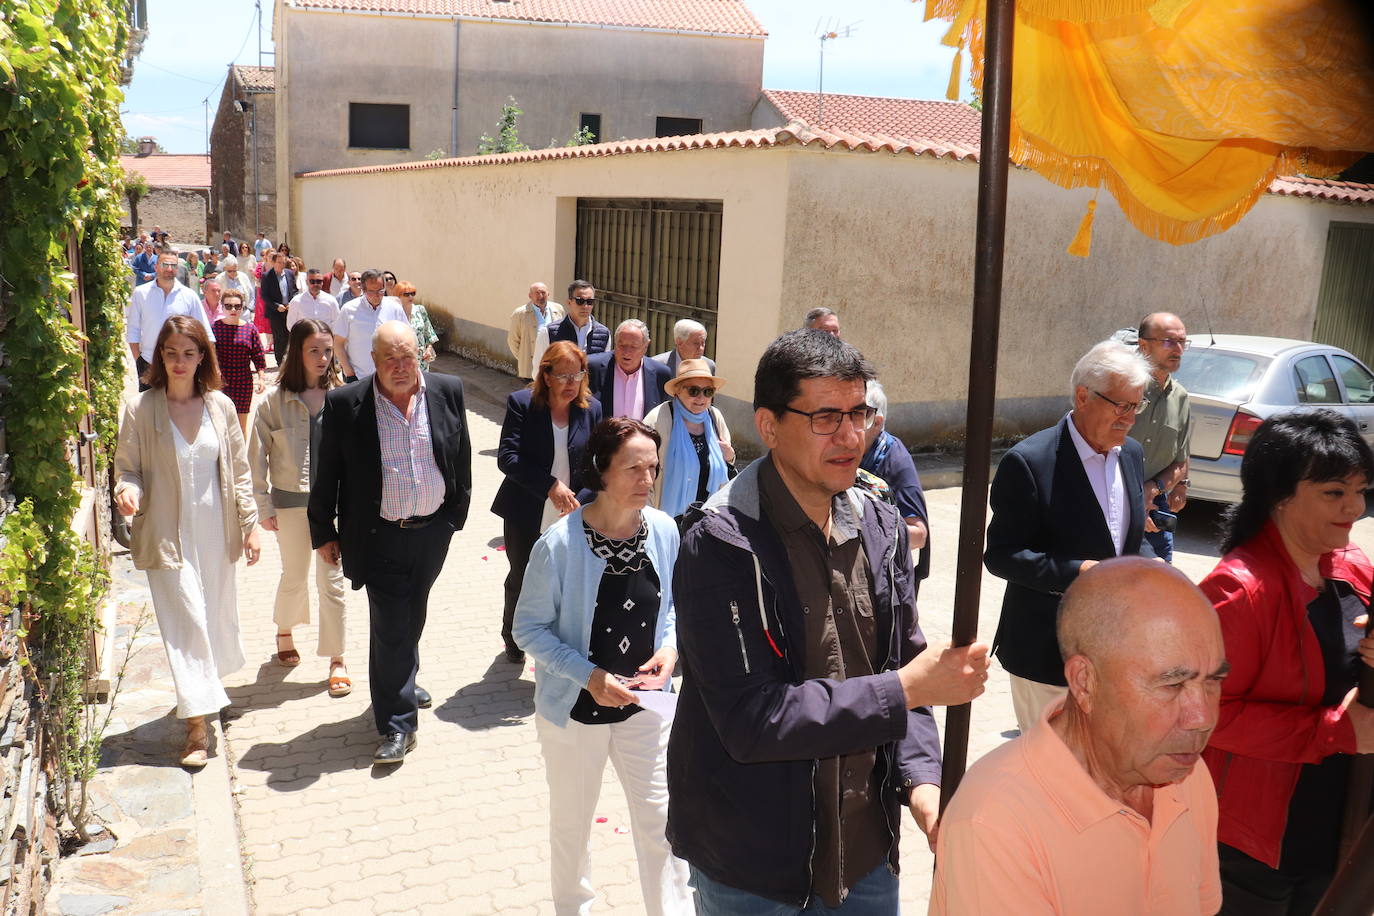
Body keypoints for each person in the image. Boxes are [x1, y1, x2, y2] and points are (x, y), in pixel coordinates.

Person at [667, 330, 990, 912]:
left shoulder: (882, 525)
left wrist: (923, 785)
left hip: (865, 850)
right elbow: (750, 718)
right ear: (768, 426)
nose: (851, 436)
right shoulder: (721, 542)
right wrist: (907, 688)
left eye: (860, 412)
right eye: (825, 418)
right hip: (754, 866)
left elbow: (903, 665)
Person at [930, 557, 1228, 915]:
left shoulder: (1185, 772)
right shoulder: (996, 822)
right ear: (1085, 682)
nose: (1202, 718)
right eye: (1172, 684)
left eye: (1214, 681)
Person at [512, 416, 692, 916]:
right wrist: (589, 676)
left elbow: (677, 606)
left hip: (645, 710)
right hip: (575, 713)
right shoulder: (559, 544)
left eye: (652, 468)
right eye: (633, 469)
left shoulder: (663, 529)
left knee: (661, 821)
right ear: (602, 472)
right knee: (572, 824)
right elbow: (528, 628)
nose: (647, 480)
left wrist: (670, 652)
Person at [1198, 409, 1374, 914]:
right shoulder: (1237, 590)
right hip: (1259, 843)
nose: (1356, 507)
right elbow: (1209, 716)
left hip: (1344, 819)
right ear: (1279, 495)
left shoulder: (1351, 564)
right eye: (1335, 493)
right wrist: (1337, 731)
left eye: (1361, 490)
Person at [308, 321, 472, 764]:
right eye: (389, 360)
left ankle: (401, 677)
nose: (400, 367)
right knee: (393, 623)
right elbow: (329, 472)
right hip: (377, 535)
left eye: (407, 357)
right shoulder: (346, 403)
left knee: (410, 615)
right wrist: (323, 530)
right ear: (374, 362)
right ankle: (397, 725)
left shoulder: (447, 390)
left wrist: (454, 516)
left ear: (420, 354)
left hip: (432, 532)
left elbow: (460, 455)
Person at [985, 340, 1156, 734]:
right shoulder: (1030, 461)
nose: (1130, 419)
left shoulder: (1129, 453)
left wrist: (1149, 563)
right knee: (1050, 777)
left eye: (1137, 406)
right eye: (1122, 406)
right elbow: (1003, 555)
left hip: (1113, 652)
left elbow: (1124, 538)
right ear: (1083, 396)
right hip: (1046, 653)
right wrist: (1079, 572)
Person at [113, 316, 260, 767]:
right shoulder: (142, 408)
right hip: (166, 535)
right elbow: (127, 467)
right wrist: (127, 489)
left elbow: (238, 471)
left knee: (213, 617)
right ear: (160, 356)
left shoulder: (219, 405)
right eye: (171, 353)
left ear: (202, 357)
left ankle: (208, 689)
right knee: (187, 623)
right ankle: (197, 727)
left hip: (216, 533)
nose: (179, 362)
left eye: (189, 353)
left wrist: (250, 523)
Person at [249, 318, 350, 697]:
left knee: (332, 579)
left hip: (335, 507)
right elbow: (255, 459)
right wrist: (262, 505)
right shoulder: (273, 403)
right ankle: (284, 630)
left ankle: (337, 657)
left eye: (327, 350)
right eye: (314, 350)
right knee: (295, 573)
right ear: (297, 352)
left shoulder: (342, 396)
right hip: (290, 505)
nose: (323, 358)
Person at [493, 342, 603, 663]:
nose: (572, 383)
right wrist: (551, 486)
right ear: (547, 374)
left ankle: (555, 642)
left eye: (578, 374)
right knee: (522, 576)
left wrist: (580, 499)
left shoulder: (591, 408)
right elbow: (508, 458)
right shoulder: (522, 404)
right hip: (527, 508)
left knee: (565, 580)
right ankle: (513, 635)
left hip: (573, 512)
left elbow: (598, 462)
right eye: (564, 375)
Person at [1131, 312, 1192, 563]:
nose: (1178, 349)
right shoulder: (1123, 388)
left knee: (1158, 589)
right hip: (1109, 505)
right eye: (1169, 341)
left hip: (1156, 511)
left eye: (1182, 342)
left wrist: (1160, 488)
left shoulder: (1181, 397)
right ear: (1143, 345)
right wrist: (1135, 499)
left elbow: (1181, 460)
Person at [861, 380, 930, 596]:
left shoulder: (895, 460)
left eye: (858, 416)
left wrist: (866, 534)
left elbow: (919, 534)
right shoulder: (845, 453)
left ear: (877, 422)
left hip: (886, 584)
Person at [642, 358, 734, 518]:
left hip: (708, 517)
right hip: (667, 519)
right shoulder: (658, 419)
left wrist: (730, 457)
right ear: (677, 391)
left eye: (708, 391)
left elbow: (726, 470)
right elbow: (643, 472)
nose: (701, 398)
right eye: (693, 391)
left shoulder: (715, 417)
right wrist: (649, 518)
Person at [126, 249, 212, 392]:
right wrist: (139, 361)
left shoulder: (189, 296)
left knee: (180, 411)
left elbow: (205, 333)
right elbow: (133, 330)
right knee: (150, 411)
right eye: (164, 264)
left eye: (173, 265)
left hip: (181, 366)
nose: (169, 269)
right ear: (156, 267)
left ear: (177, 269)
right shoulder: (140, 293)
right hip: (149, 363)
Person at [586, 319, 672, 421]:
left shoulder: (661, 374)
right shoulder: (592, 368)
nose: (626, 352)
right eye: (621, 345)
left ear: (645, 346)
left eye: (634, 346)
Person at [332, 269, 407, 382]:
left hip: (390, 376)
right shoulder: (348, 310)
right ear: (363, 289)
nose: (377, 296)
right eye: (371, 292)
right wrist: (349, 372)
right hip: (359, 377)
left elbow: (406, 338)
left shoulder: (394, 308)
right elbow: (338, 343)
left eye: (380, 291)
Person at [211, 289, 267, 433]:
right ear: (221, 307)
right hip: (220, 382)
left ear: (242, 308)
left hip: (243, 382)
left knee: (241, 426)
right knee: (220, 424)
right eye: (228, 306)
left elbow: (258, 355)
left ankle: (240, 456)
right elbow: (208, 355)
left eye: (237, 306)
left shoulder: (250, 329)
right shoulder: (214, 328)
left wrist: (261, 378)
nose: (233, 309)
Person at [532, 280, 610, 369]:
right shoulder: (548, 333)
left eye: (589, 301)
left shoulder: (604, 334)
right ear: (569, 302)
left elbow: (603, 368)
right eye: (580, 301)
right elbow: (538, 370)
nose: (585, 306)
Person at [508, 282, 566, 382]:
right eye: (537, 293)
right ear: (530, 295)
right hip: (530, 367)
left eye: (543, 292)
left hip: (554, 365)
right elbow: (513, 341)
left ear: (548, 294)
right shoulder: (520, 314)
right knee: (533, 396)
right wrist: (524, 358)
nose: (540, 296)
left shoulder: (558, 309)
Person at [260, 252, 298, 365]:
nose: (281, 264)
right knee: (279, 336)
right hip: (275, 312)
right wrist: (276, 306)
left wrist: (292, 302)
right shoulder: (267, 276)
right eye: (279, 262)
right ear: (273, 262)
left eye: (283, 262)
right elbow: (264, 295)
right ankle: (280, 361)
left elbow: (295, 291)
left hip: (289, 310)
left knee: (290, 335)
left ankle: (290, 360)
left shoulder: (289, 274)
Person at [394, 281, 438, 371]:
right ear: (398, 296)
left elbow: (429, 333)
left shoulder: (420, 309)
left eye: (413, 293)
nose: (410, 297)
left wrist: (429, 349)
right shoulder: (394, 313)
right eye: (406, 294)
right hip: (402, 359)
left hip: (422, 359)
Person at [650, 318, 715, 375]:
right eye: (696, 343)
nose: (701, 348)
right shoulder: (656, 365)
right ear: (679, 342)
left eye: (703, 343)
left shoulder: (709, 366)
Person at [216, 255, 255, 326]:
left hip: (243, 313)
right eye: (229, 271)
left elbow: (251, 293)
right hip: (226, 313)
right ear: (225, 269)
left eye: (234, 270)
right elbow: (216, 297)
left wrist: (249, 309)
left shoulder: (243, 277)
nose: (232, 273)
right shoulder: (219, 279)